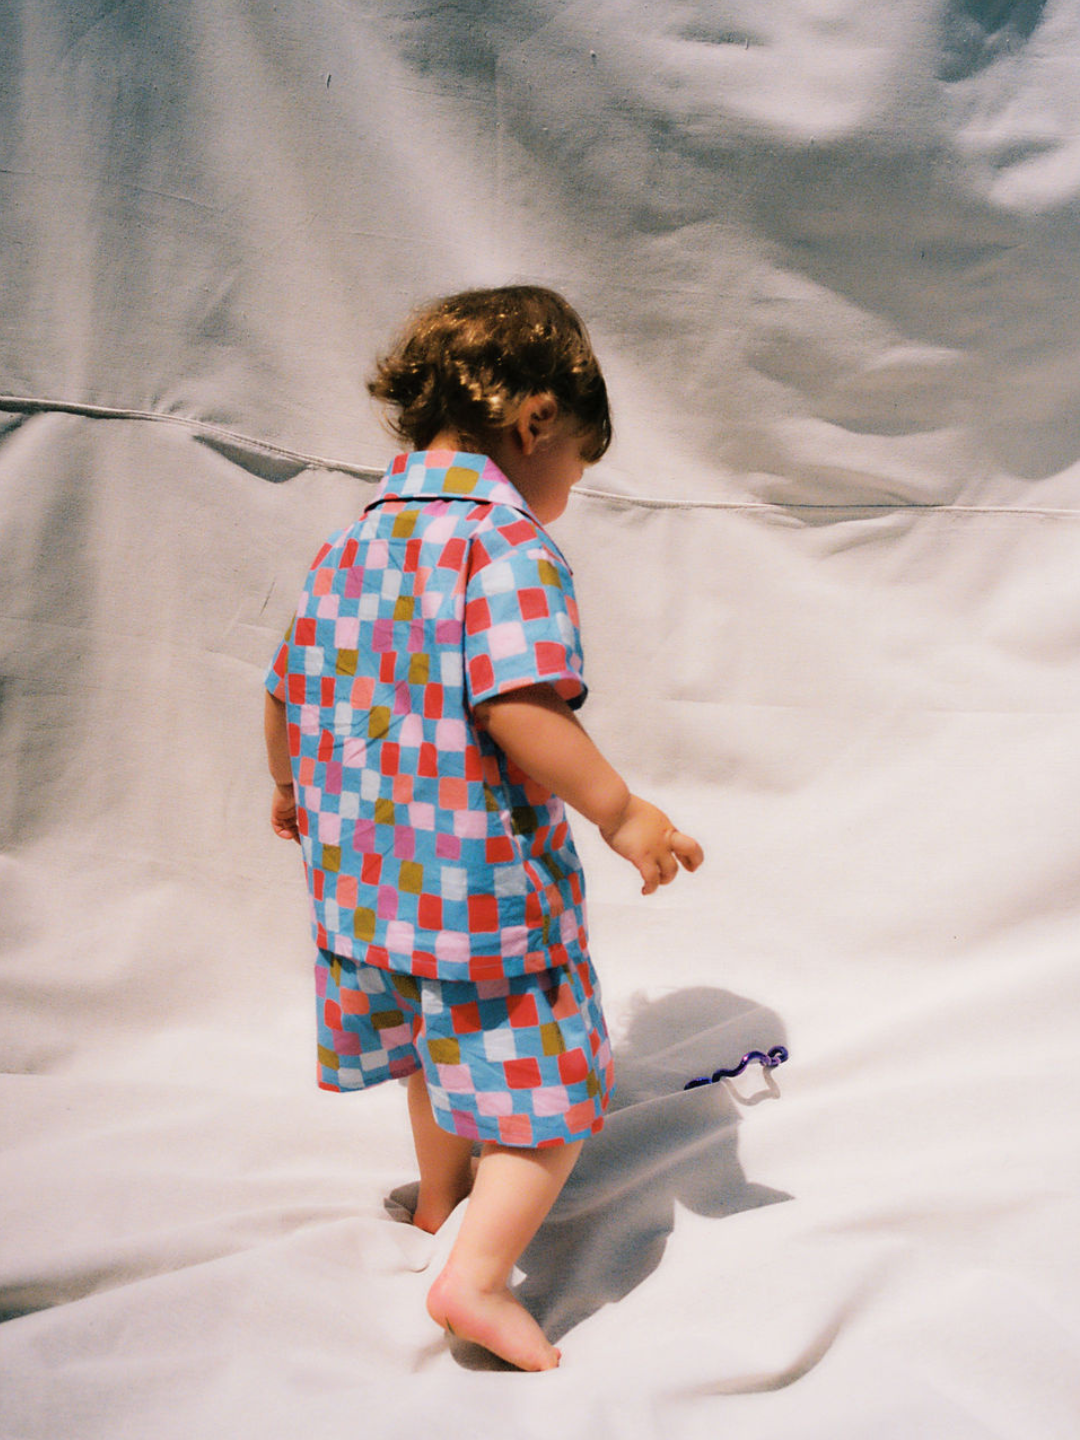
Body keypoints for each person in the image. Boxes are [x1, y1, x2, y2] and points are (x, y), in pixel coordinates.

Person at [263, 284, 703, 1370]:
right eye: (576, 474)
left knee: (433, 1049)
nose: (565, 500)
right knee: (546, 1098)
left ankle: (436, 1205)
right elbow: (517, 708)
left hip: (366, 888)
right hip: (482, 887)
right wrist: (619, 808)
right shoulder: (502, 547)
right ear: (537, 421)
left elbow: (281, 688)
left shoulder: (351, 545)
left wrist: (288, 788)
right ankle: (478, 1275)